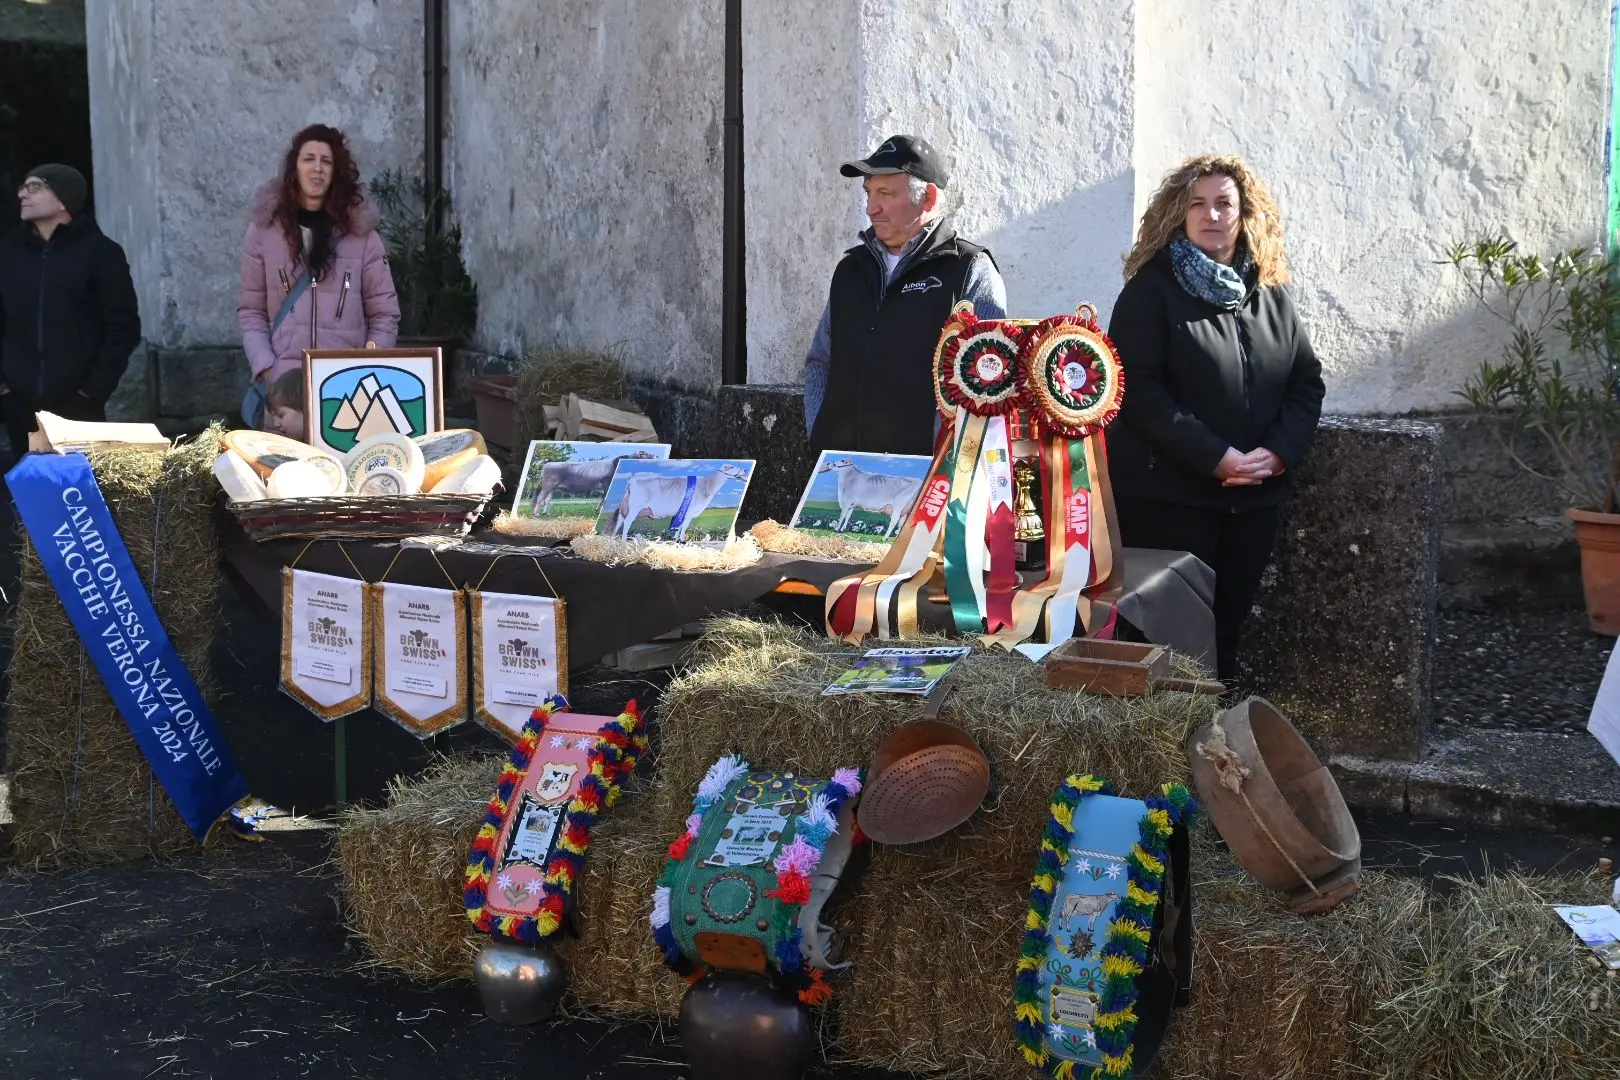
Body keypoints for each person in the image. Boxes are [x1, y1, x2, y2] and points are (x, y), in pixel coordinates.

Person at [1105, 154, 1325, 682]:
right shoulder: (1149, 292)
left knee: (1227, 631)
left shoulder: (1271, 293)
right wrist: (1215, 457)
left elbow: (1305, 384)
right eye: (1197, 204)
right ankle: (1169, 755)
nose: (1211, 215)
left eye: (1224, 203)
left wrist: (1276, 454)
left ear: (1244, 213)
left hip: (1253, 500)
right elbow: (1137, 391)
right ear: (1178, 214)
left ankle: (1218, 747)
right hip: (1171, 501)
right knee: (1170, 640)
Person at [803, 135, 1006, 456]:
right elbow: (819, 361)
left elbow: (987, 380)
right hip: (840, 476)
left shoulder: (968, 268)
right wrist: (820, 432)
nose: (871, 207)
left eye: (885, 193)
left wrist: (946, 459)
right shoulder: (850, 270)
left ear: (927, 197)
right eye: (869, 192)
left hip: (927, 483)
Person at [238, 124, 399, 431]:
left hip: (344, 394)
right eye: (308, 159)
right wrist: (268, 370)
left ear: (336, 171)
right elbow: (251, 311)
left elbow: (385, 315)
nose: (317, 168)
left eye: (326, 161)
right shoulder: (263, 231)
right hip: (282, 396)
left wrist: (365, 369)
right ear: (294, 167)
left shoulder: (363, 237)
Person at [0, 164, 141, 460]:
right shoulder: (8, 253)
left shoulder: (101, 252)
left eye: (35, 187)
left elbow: (122, 324)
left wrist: (93, 389)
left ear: (64, 199)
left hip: (78, 404)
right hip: (18, 403)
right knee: (24, 495)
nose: (23, 194)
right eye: (23, 186)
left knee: (77, 496)